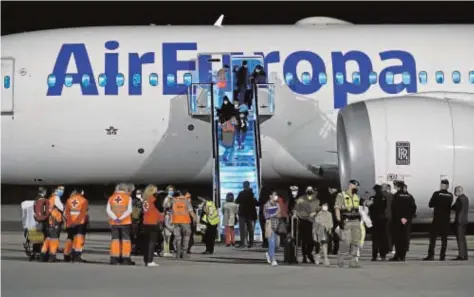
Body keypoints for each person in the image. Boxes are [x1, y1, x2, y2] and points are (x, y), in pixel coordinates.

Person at [423, 179, 453, 261]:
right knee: (444, 239)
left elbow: (430, 204)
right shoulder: (450, 195)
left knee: (433, 238)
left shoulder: (436, 194)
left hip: (437, 218)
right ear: (447, 186)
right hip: (446, 219)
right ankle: (442, 256)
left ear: (441, 185)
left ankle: (431, 255)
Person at [334, 180, 362, 268]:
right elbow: (337, 208)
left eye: (357, 186)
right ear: (350, 185)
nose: (356, 187)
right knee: (345, 242)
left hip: (356, 221)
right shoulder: (341, 195)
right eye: (354, 185)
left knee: (355, 241)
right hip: (346, 220)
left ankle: (353, 261)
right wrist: (339, 220)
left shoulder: (357, 196)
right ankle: (341, 261)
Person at [106, 183, 135, 265]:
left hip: (114, 223)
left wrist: (115, 218)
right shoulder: (128, 198)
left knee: (115, 240)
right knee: (126, 240)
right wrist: (121, 218)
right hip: (125, 222)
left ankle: (114, 259)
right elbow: (129, 210)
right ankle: (126, 259)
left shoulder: (111, 197)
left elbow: (108, 210)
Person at [164, 190, 197, 259]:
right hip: (185, 222)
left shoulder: (173, 200)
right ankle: (184, 253)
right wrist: (195, 219)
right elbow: (191, 211)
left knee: (178, 238)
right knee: (186, 237)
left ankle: (178, 254)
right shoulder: (186, 201)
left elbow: (166, 206)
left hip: (176, 221)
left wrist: (168, 197)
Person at [390, 181, 417, 262]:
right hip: (407, 221)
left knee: (398, 238)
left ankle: (397, 255)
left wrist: (401, 218)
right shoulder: (410, 196)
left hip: (398, 220)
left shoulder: (396, 196)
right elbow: (413, 208)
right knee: (405, 238)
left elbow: (395, 208)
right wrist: (407, 218)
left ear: (398, 187)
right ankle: (403, 256)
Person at [293, 186, 320, 264]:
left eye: (311, 190)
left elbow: (318, 209)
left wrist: (316, 212)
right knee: (304, 240)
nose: (310, 191)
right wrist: (296, 214)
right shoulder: (301, 199)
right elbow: (296, 209)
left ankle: (309, 253)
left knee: (312, 240)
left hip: (313, 221)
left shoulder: (316, 200)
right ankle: (305, 256)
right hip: (303, 221)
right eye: (308, 190)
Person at [40, 186, 65, 262]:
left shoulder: (50, 198)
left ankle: (43, 256)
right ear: (55, 190)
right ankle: (52, 256)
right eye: (60, 189)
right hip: (54, 222)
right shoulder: (55, 197)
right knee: (54, 239)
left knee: (47, 239)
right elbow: (62, 208)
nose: (62, 191)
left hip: (48, 222)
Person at [63, 189, 88, 263]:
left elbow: (65, 213)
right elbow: (83, 213)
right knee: (79, 238)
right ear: (81, 193)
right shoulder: (83, 200)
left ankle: (66, 255)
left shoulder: (69, 200)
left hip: (70, 223)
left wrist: (70, 222)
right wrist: (77, 222)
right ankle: (77, 256)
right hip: (79, 223)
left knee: (69, 238)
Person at [141, 184, 164, 267]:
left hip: (145, 222)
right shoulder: (153, 199)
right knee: (152, 242)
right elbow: (160, 209)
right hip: (153, 222)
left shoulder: (145, 199)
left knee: (147, 243)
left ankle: (146, 259)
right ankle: (150, 260)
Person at [369, 185, 389, 261]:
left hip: (375, 219)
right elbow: (385, 207)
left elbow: (370, 208)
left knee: (375, 239)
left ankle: (374, 256)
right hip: (382, 219)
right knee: (382, 238)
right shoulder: (384, 198)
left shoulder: (372, 198)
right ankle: (383, 255)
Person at [236, 181, 258, 248]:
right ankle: (251, 243)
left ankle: (243, 243)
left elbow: (237, 201)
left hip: (242, 213)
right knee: (250, 229)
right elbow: (256, 203)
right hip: (250, 214)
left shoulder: (241, 193)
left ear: (244, 186)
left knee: (242, 229)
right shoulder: (252, 194)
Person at [452, 186, 469, 260]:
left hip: (460, 221)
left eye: (455, 191)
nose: (455, 193)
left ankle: (461, 255)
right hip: (464, 221)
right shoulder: (466, 198)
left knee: (460, 239)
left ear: (458, 191)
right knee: (463, 239)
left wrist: (458, 220)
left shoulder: (459, 199)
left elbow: (456, 208)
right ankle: (465, 255)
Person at [264, 191, 281, 266]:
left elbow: (280, 214)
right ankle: (273, 259)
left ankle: (269, 253)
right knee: (271, 241)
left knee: (276, 243)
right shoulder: (267, 205)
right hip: (269, 224)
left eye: (276, 195)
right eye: (274, 195)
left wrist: (276, 214)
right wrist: (275, 214)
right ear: (270, 196)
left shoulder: (277, 204)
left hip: (276, 224)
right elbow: (267, 216)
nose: (276, 196)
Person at [382, 183, 395, 254]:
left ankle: (382, 249)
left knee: (382, 234)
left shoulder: (379, 196)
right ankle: (390, 248)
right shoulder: (391, 195)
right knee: (389, 234)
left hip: (381, 217)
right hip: (390, 217)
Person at [327, 186, 340, 255]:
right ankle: (335, 250)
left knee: (329, 235)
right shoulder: (339, 196)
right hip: (336, 218)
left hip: (331, 218)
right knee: (336, 235)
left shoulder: (330, 197)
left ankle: (329, 250)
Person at [131, 189, 144, 255]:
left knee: (139, 236)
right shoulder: (134, 201)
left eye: (139, 193)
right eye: (137, 193)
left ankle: (138, 249)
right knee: (134, 235)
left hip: (140, 221)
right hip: (135, 221)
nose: (138, 194)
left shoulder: (143, 200)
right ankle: (134, 249)